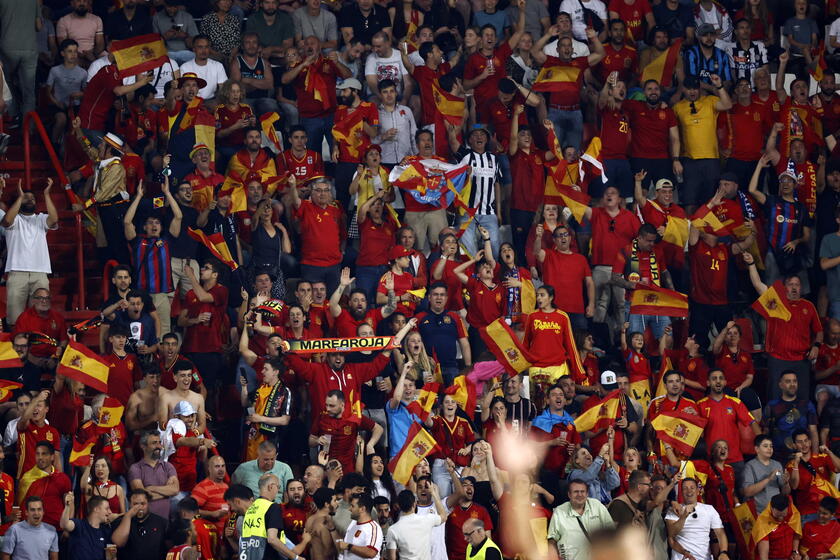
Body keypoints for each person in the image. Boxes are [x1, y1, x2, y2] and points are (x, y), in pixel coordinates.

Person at [743, 251, 823, 401]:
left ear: (801, 288)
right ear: (784, 287)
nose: (794, 288)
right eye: (790, 284)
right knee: (775, 397)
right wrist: (751, 264)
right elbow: (758, 285)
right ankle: (772, 424)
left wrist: (817, 346)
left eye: (797, 285)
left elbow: (819, 331)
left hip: (801, 360)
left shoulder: (809, 306)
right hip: (778, 358)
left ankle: (803, 424)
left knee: (802, 398)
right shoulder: (776, 302)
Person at [1, 179, 59, 327]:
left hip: (40, 273)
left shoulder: (41, 219)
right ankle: (16, 349)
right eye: (25, 197)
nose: (29, 200)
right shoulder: (15, 219)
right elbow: (7, 221)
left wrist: (46, 194)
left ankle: (40, 348)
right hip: (16, 273)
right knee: (15, 320)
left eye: (32, 198)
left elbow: (54, 219)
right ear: (19, 200)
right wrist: (20, 197)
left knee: (42, 316)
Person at [547, 478, 615, 559]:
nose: (579, 494)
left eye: (582, 491)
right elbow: (552, 539)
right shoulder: (559, 511)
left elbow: (611, 531)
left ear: (587, 494)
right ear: (569, 494)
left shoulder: (597, 505)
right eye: (576, 492)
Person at [665, 477, 728, 560]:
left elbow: (720, 533)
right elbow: (671, 533)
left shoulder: (709, 509)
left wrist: (723, 552)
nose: (689, 491)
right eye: (685, 488)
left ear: (698, 491)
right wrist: (684, 516)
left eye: (692, 488)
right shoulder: (674, 510)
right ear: (681, 492)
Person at [127, 430, 180, 521]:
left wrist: (151, 488)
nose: (159, 446)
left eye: (159, 442)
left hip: (167, 522)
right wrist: (167, 493)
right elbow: (142, 497)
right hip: (146, 521)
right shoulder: (135, 468)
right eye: (154, 443)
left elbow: (175, 490)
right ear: (143, 446)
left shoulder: (168, 466)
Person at [385, 488, 446, 560]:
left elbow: (391, 558)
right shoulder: (427, 520)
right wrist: (433, 493)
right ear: (414, 504)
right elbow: (443, 516)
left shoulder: (392, 530)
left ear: (399, 505)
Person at [110, 489, 168, 560]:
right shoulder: (120, 521)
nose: (139, 507)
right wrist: (128, 516)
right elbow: (118, 543)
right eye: (135, 504)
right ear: (129, 504)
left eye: (143, 504)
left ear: (148, 503)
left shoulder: (161, 522)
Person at [742, 434, 792, 515]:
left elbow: (785, 493)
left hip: (775, 512)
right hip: (758, 513)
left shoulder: (777, 465)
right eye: (765, 446)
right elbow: (747, 492)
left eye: (771, 446)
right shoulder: (749, 466)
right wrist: (768, 478)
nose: (769, 449)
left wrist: (786, 483)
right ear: (757, 449)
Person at [1, 496, 58, 560]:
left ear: (43, 512)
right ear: (26, 512)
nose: (36, 513)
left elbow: (54, 557)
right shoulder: (14, 530)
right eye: (32, 510)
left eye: (39, 509)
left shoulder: (51, 530)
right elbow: (5, 556)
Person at [60, 494, 113, 560]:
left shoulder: (107, 531)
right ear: (96, 509)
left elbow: (111, 557)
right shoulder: (79, 525)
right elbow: (64, 525)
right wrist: (67, 506)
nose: (110, 512)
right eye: (107, 508)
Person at [336, 493, 383, 560]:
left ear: (362, 509)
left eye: (352, 506)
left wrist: (349, 546)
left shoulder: (374, 528)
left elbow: (371, 552)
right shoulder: (353, 524)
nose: (349, 509)